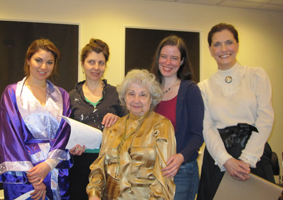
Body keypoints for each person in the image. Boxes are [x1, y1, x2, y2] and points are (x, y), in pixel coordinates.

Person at [0, 39, 83, 200]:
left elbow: (65, 133)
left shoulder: (61, 95)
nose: (43, 67)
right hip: (24, 173)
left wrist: (48, 165)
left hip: (54, 168)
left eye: (49, 62)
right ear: (28, 60)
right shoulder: (12, 93)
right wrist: (34, 178)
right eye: (38, 60)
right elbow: (10, 139)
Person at [197, 23, 275, 200]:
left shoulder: (256, 75)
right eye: (217, 44)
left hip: (254, 153)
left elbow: (265, 118)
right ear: (210, 49)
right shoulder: (203, 87)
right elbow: (207, 127)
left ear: (237, 45)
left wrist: (246, 159)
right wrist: (226, 160)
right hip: (219, 158)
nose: (223, 49)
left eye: (228, 42)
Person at [87, 69, 176, 200]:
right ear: (124, 97)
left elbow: (164, 177)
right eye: (131, 94)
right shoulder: (113, 127)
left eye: (143, 95)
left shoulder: (162, 125)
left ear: (152, 98)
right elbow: (99, 169)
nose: (136, 100)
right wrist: (94, 194)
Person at [69, 38, 126, 200]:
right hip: (79, 165)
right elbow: (64, 133)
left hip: (110, 165)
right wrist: (71, 147)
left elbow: (131, 128)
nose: (96, 67)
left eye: (101, 63)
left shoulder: (117, 94)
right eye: (91, 62)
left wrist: (118, 120)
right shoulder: (71, 97)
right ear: (82, 63)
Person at [150, 35, 204, 200]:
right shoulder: (149, 90)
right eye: (164, 56)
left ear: (181, 62)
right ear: (158, 57)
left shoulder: (190, 90)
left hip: (181, 171)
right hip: (152, 169)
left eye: (174, 58)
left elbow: (198, 134)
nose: (167, 62)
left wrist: (181, 157)